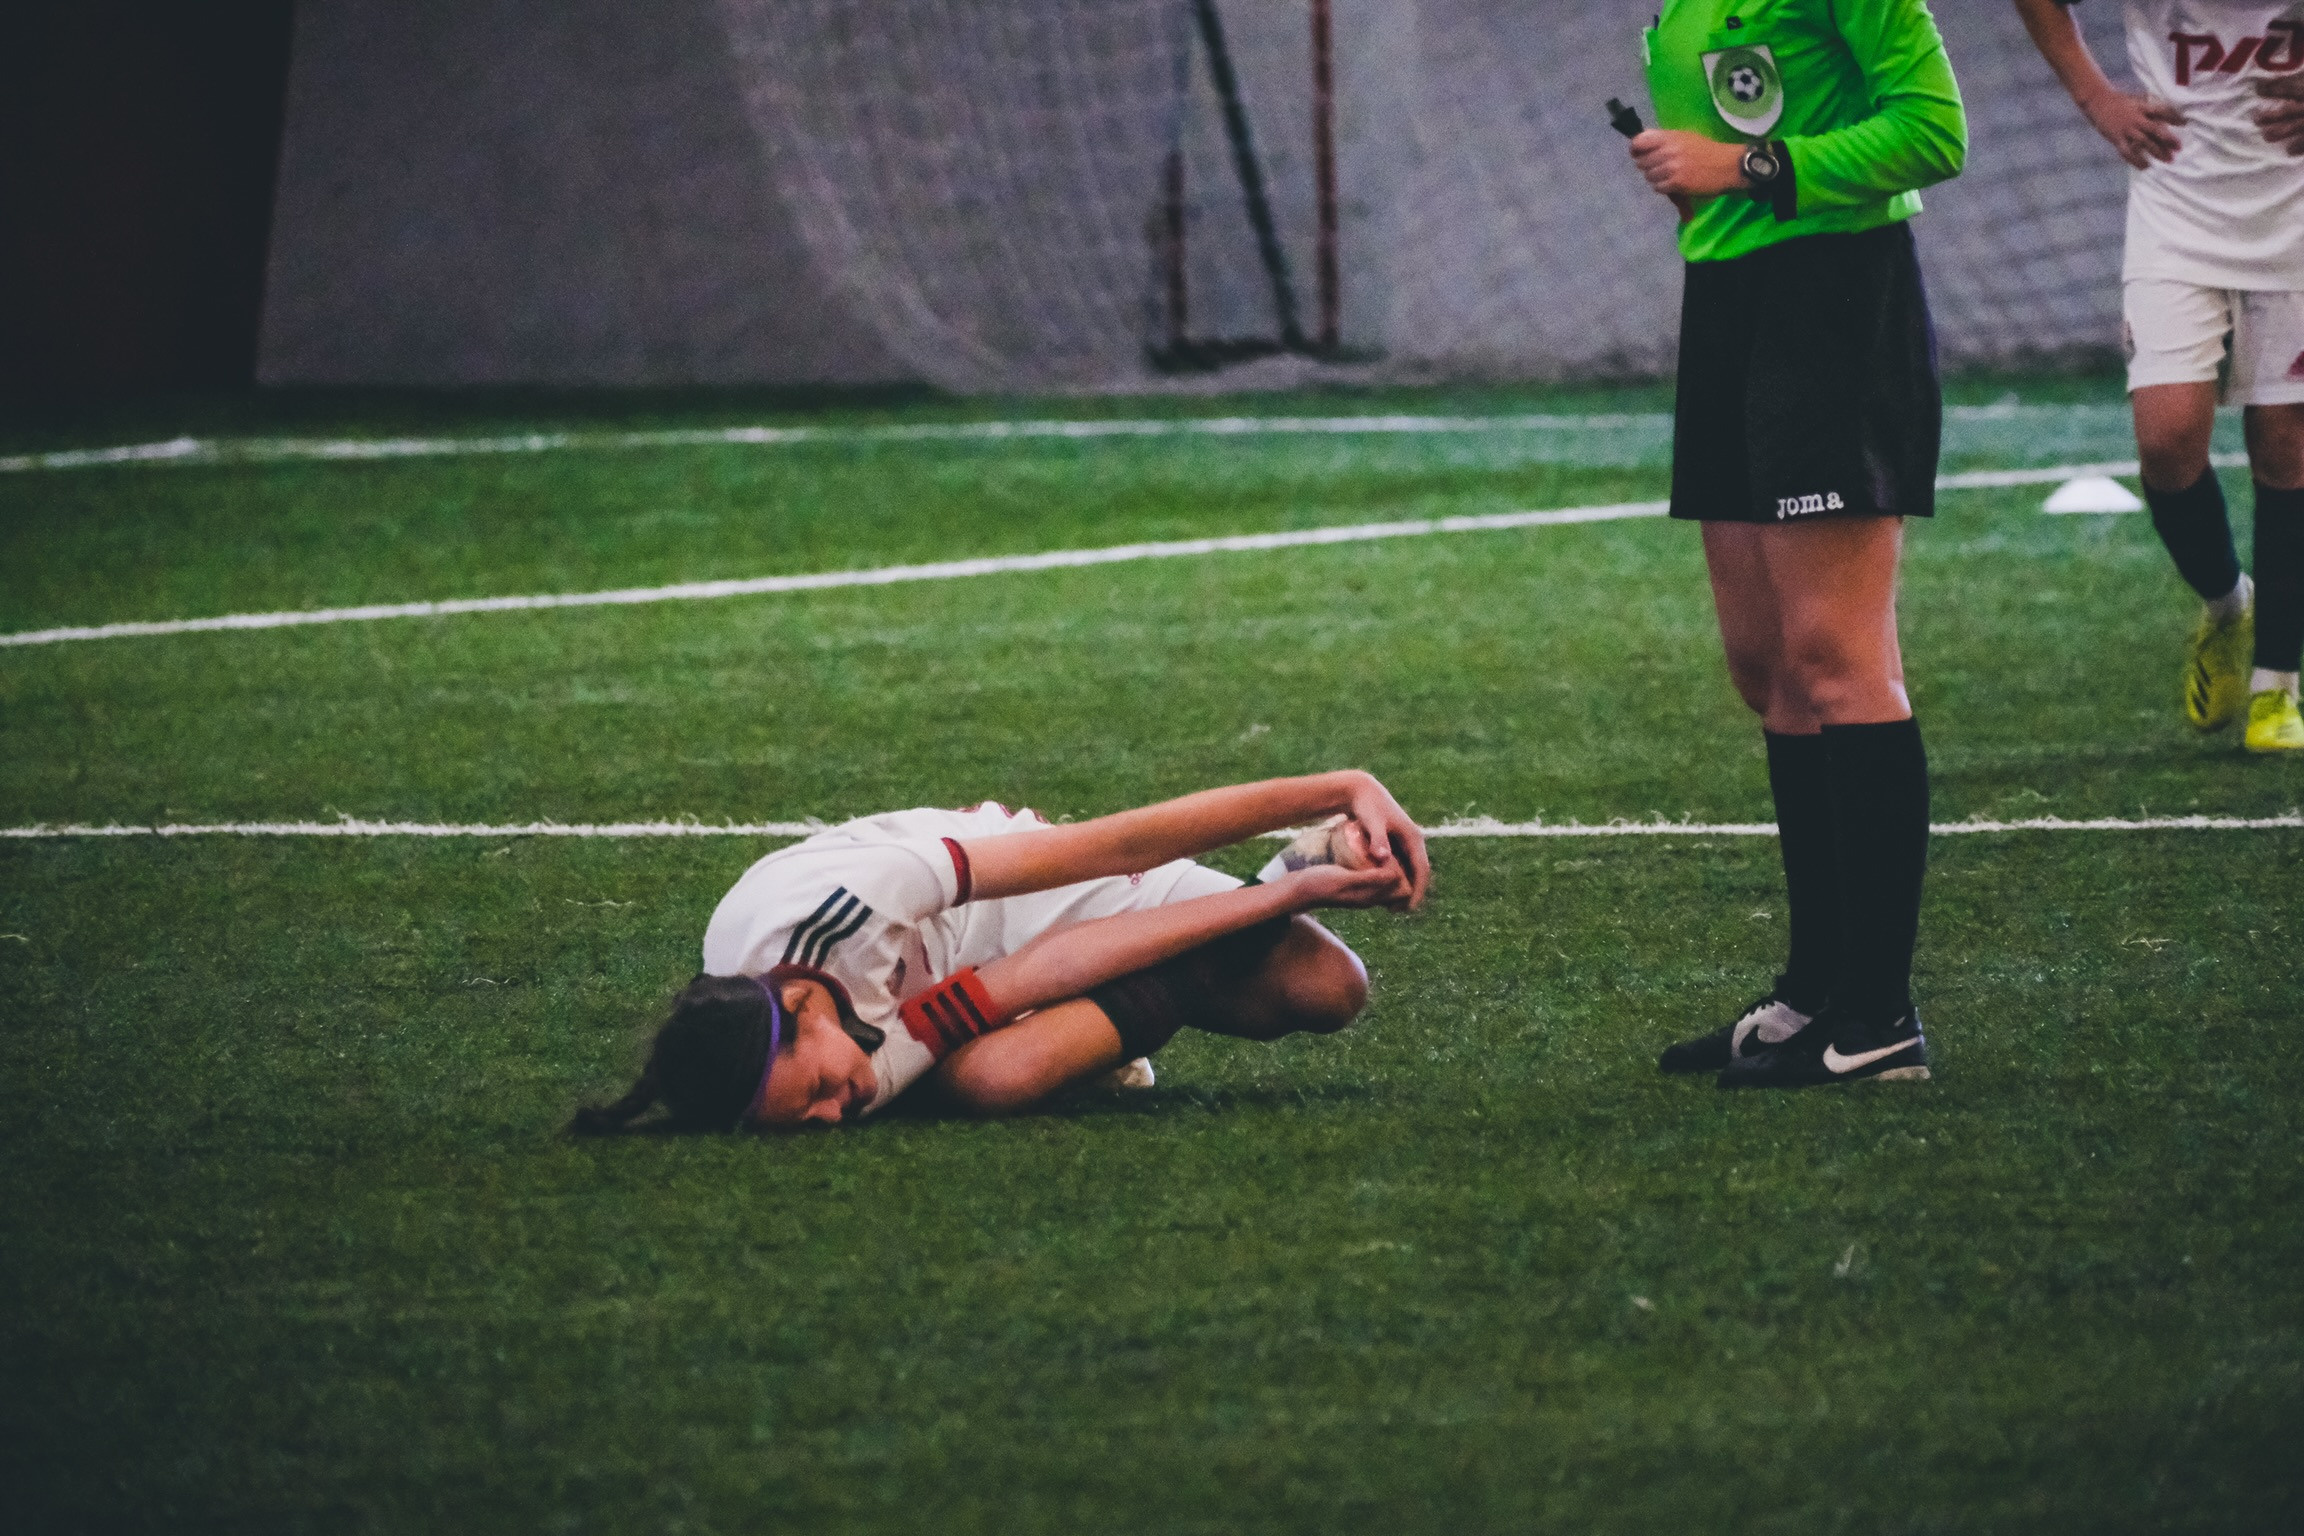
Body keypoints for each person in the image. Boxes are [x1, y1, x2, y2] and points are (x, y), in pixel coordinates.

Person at [1625, 0, 1966, 1087]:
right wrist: (1700, 182)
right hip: (1729, 304)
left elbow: (1933, 131)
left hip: (1834, 300)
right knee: (1768, 667)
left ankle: (1880, 1019)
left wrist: (1749, 165)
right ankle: (1814, 992)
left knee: (1837, 659)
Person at [569, 772, 1429, 1133]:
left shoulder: (858, 902)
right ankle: (1232, 920)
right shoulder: (815, 1074)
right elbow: (1006, 990)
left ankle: (1241, 904)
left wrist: (1340, 787)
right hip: (979, 976)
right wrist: (1285, 899)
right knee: (990, 1079)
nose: (834, 1114)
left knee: (1328, 990)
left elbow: (1111, 846)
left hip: (1014, 893)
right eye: (803, 1121)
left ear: (799, 1006)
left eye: (821, 1091)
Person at [2013, 0, 2304, 752]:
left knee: (2288, 445)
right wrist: (2095, 97)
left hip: (2296, 209)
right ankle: (2226, 605)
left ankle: (2280, 686)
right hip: (2176, 207)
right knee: (2168, 441)